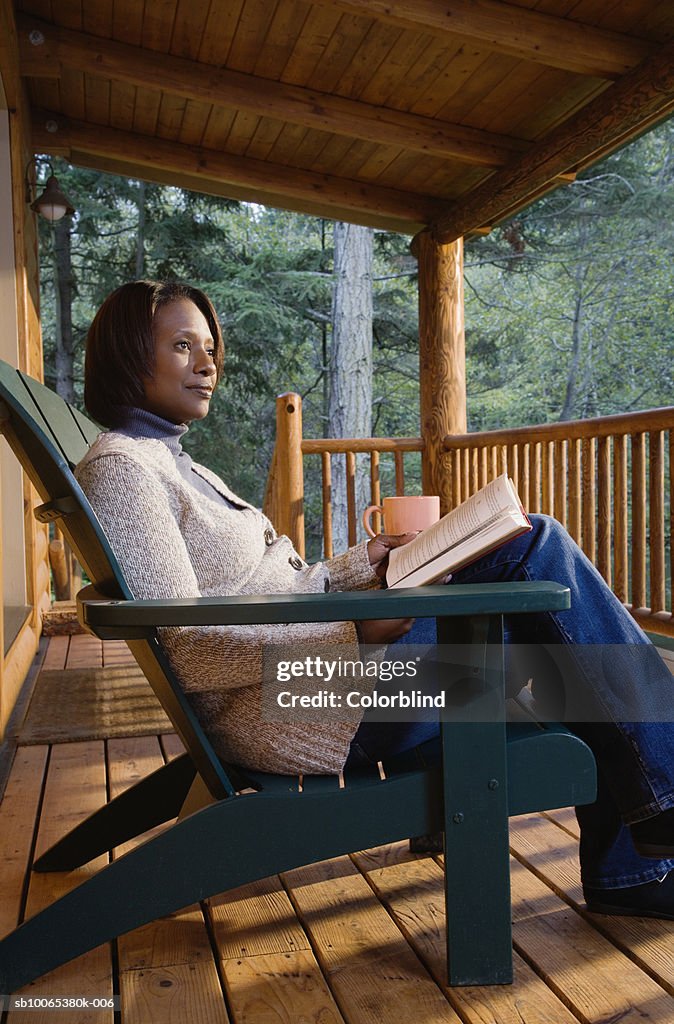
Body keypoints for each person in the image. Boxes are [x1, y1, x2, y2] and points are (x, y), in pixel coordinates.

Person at [76, 279, 674, 922]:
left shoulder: (172, 461)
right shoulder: (126, 468)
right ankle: (650, 835)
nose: (207, 363)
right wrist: (356, 636)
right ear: (128, 354)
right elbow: (189, 650)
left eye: (210, 346)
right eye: (181, 345)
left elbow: (276, 587)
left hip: (317, 675)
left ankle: (642, 850)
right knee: (556, 615)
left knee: (537, 569)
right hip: (302, 700)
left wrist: (371, 563)